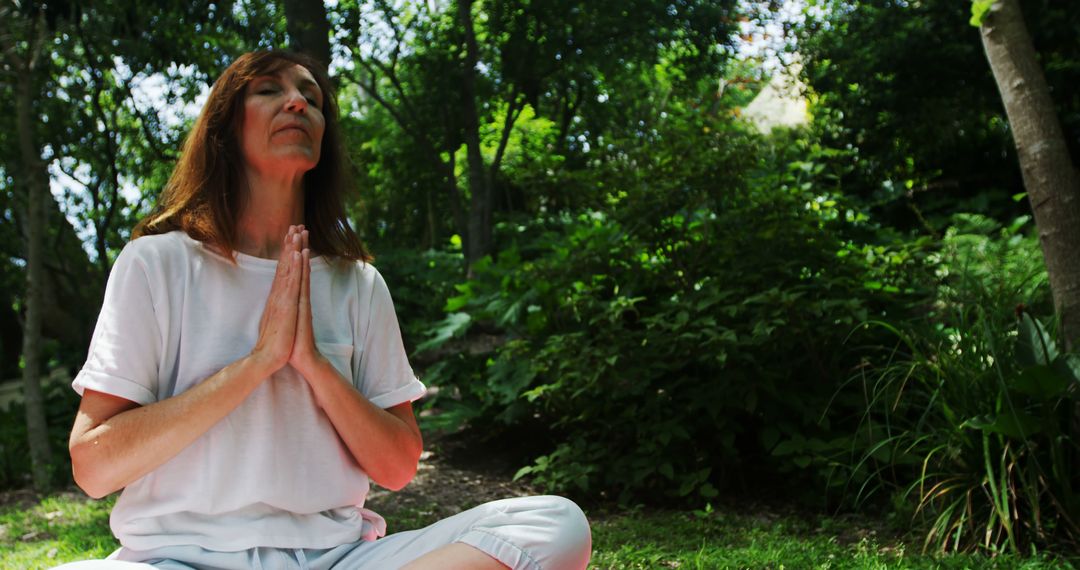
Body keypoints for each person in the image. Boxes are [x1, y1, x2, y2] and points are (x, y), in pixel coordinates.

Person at [54, 50, 591, 570]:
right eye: (269, 91)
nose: (298, 104)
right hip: (178, 558)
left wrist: (312, 363)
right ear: (224, 130)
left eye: (311, 97)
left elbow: (399, 465)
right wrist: (257, 363)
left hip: (337, 558)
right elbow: (95, 467)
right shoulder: (157, 264)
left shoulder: (358, 283)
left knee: (553, 525)